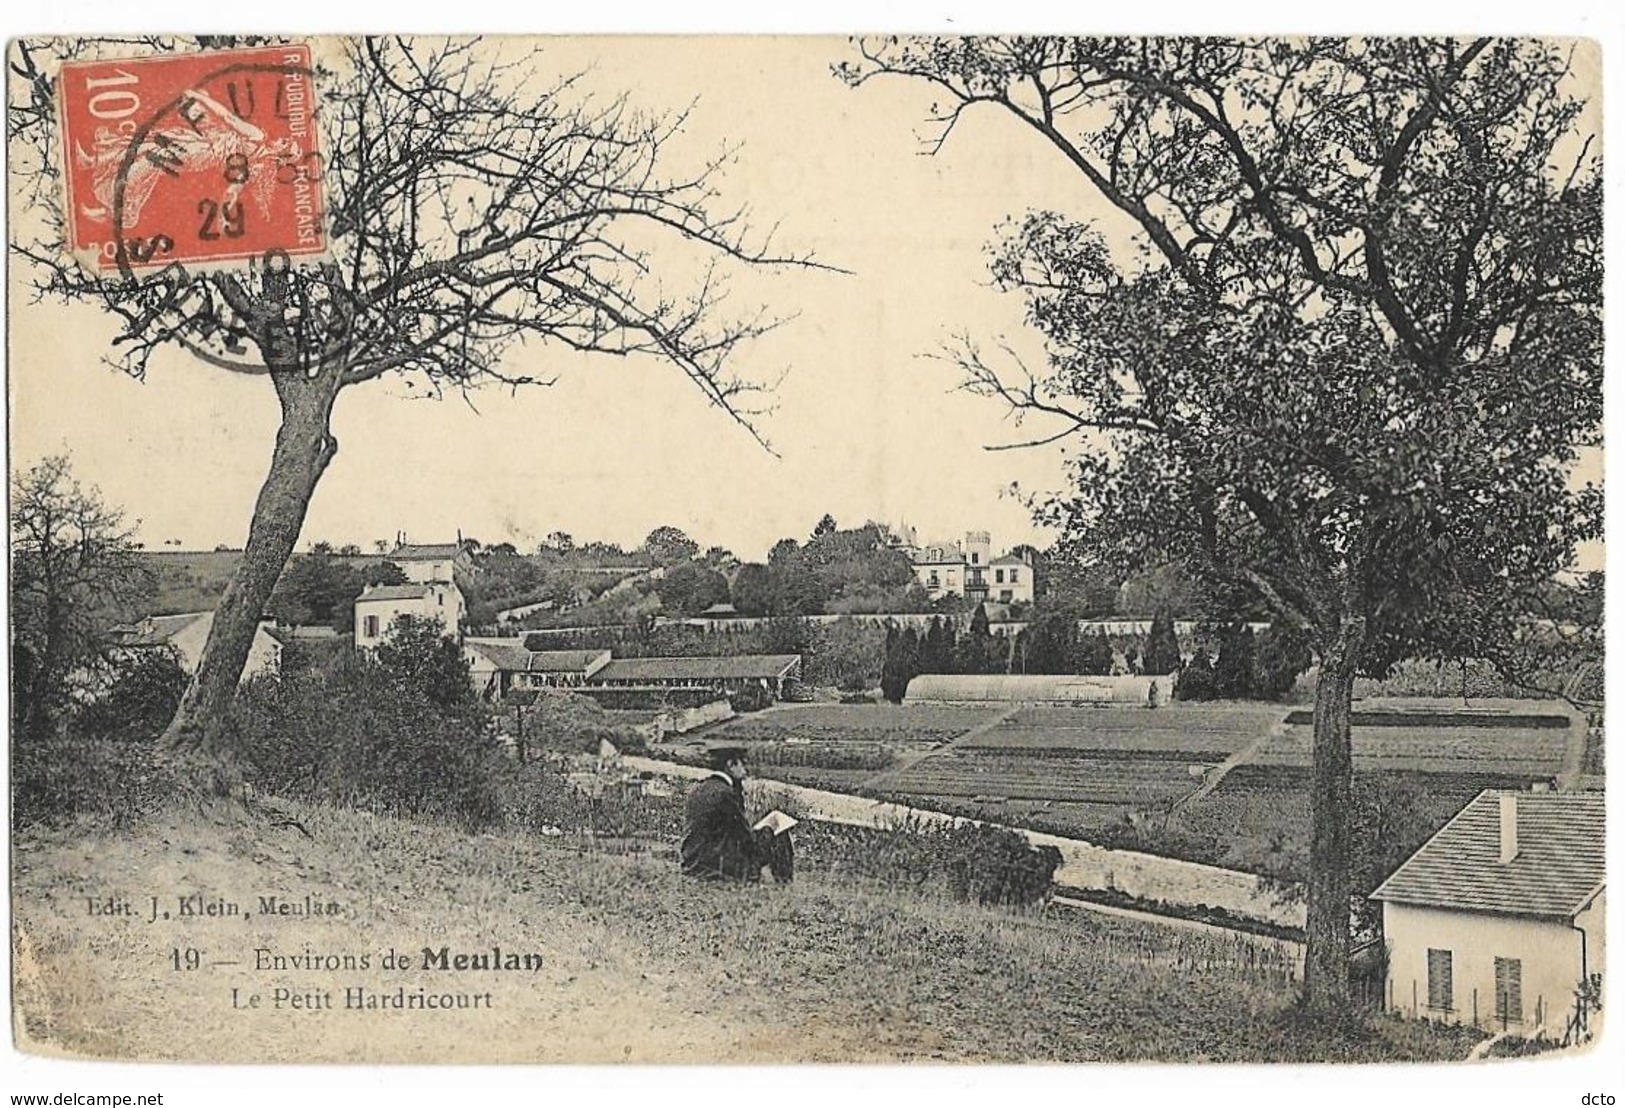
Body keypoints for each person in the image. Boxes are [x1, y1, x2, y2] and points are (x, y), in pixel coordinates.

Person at [680, 746, 793, 883]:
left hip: (694, 863)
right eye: (743, 764)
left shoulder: (699, 789)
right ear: (731, 765)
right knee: (778, 828)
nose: (745, 770)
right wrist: (767, 829)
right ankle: (783, 883)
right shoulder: (725, 793)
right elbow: (744, 838)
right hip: (716, 867)